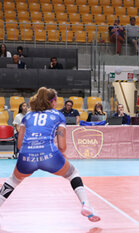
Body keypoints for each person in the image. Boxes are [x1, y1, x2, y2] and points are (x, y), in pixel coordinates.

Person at [0, 87, 100, 222]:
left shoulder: (27, 116)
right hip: (49, 156)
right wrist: (62, 156)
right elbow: (62, 146)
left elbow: (19, 145)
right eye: (56, 101)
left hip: (26, 157)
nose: (57, 103)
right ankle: (86, 205)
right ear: (52, 102)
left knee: (13, 180)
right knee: (73, 173)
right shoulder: (58, 115)